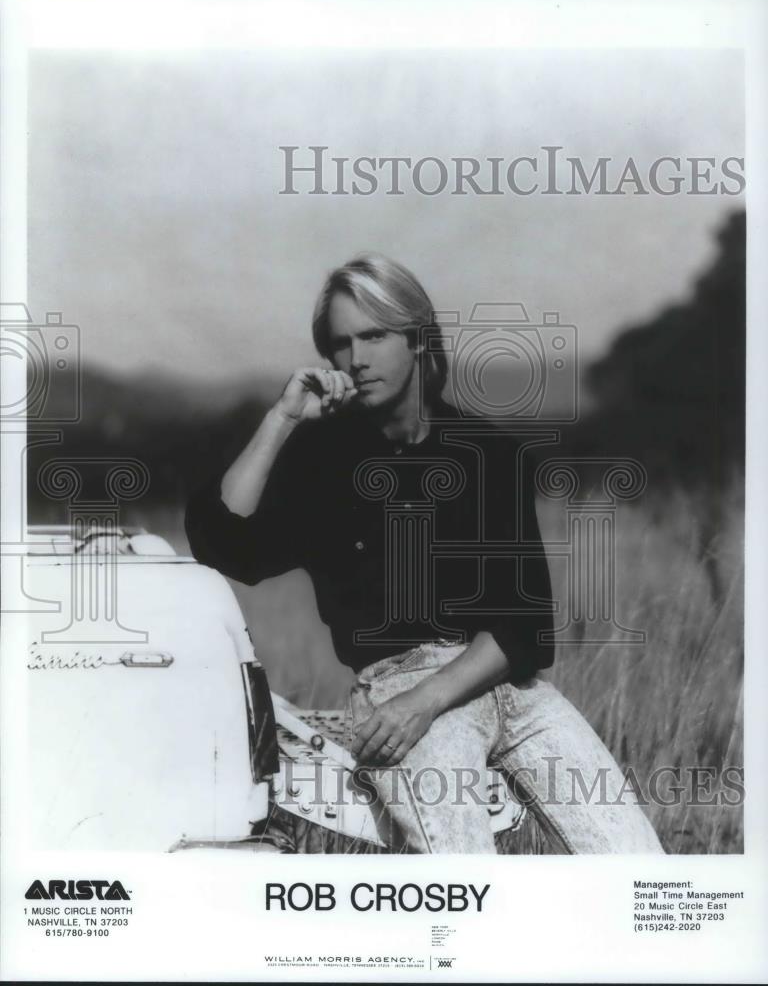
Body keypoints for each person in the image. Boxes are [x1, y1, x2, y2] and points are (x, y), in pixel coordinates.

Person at [185, 253, 663, 854]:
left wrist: (428, 698)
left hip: (510, 686)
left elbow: (525, 624)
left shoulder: (488, 453)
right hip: (397, 690)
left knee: (639, 864)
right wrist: (281, 420)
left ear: (418, 339)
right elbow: (222, 543)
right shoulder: (321, 463)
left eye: (375, 335)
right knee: (465, 882)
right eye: (340, 343)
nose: (355, 359)